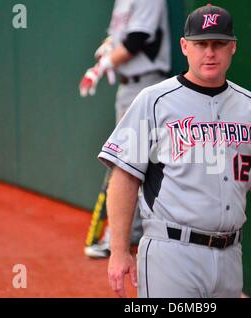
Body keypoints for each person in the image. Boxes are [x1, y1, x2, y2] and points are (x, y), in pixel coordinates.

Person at [97, 4, 251, 298]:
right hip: (171, 253)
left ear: (232, 47)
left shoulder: (250, 106)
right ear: (185, 47)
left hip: (230, 255)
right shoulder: (154, 100)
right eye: (201, 44)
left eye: (219, 44)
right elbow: (125, 176)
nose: (210, 52)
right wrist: (119, 250)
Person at [79, 0, 171, 258]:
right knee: (133, 160)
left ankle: (122, 236)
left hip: (147, 83)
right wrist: (107, 49)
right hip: (127, 86)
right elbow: (118, 36)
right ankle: (132, 232)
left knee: (130, 161)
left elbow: (137, 39)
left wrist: (102, 66)